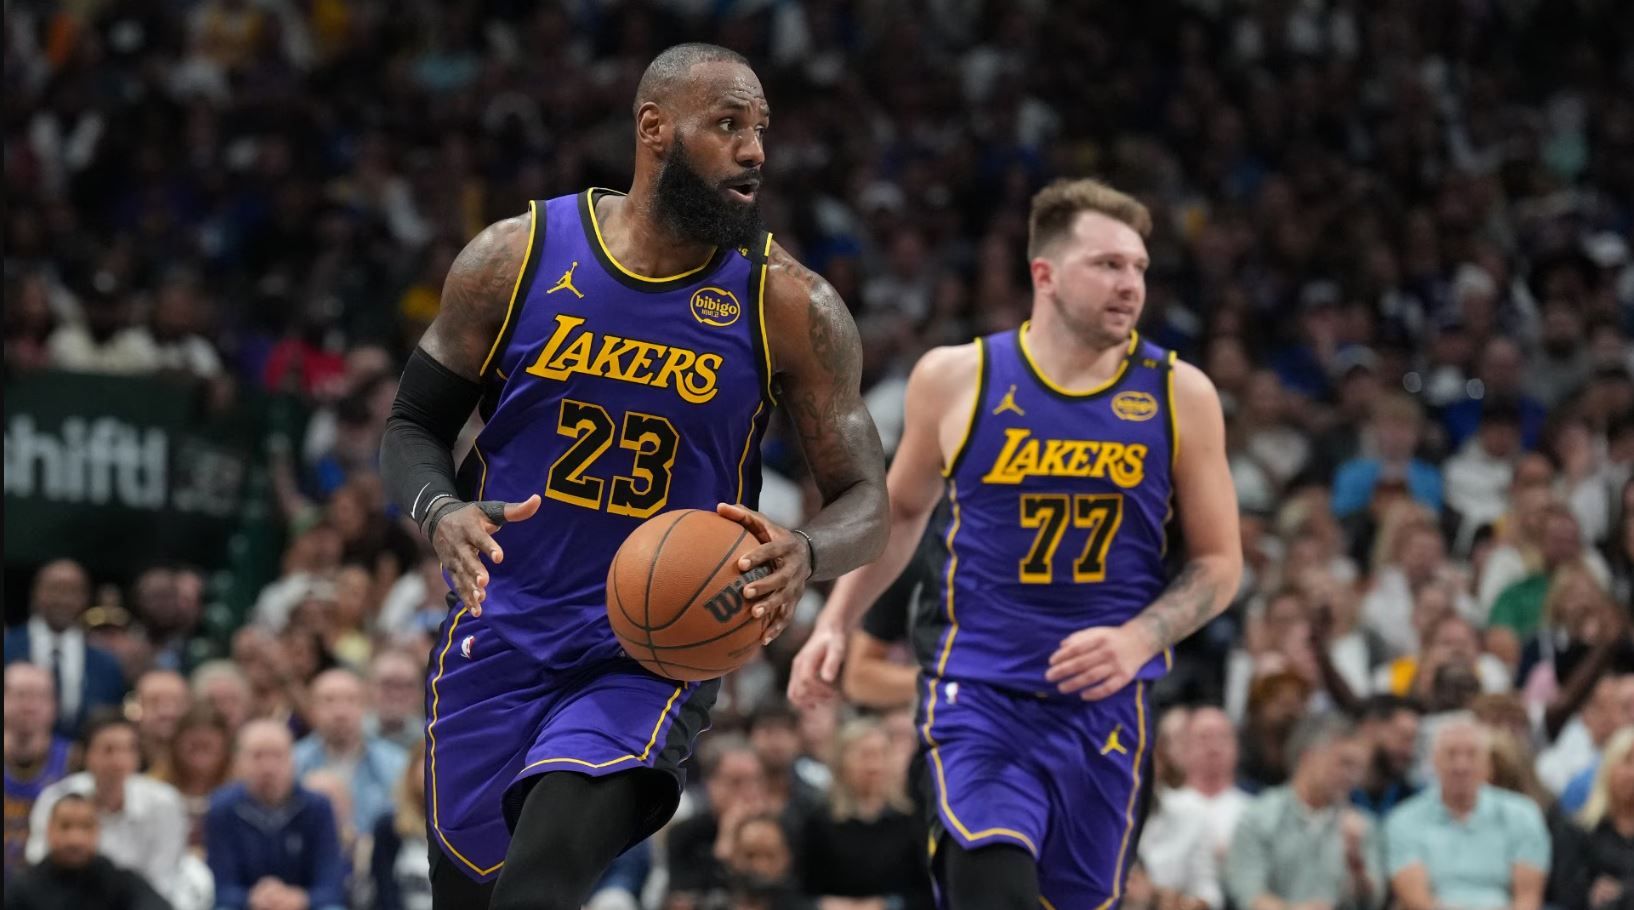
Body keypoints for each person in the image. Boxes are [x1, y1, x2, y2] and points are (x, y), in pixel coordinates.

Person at [376, 43, 888, 910]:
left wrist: (806, 550)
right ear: (654, 129)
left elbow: (867, 498)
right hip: (501, 628)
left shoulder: (788, 304)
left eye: (761, 129)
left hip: (653, 647)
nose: (755, 151)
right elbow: (412, 425)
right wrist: (440, 511)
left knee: (537, 891)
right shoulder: (515, 256)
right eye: (728, 125)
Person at [789, 178, 1242, 909]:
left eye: (1139, 267)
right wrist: (835, 623)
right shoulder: (956, 378)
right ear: (1045, 274)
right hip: (978, 698)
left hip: (1103, 707)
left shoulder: (1180, 393)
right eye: (1108, 264)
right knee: (991, 882)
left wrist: (1140, 637)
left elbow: (1220, 564)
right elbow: (900, 514)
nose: (1131, 284)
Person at [1384, 717, 1551, 910]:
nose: (1461, 766)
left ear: (1488, 764)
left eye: (1472, 755)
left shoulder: (1522, 814)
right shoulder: (1404, 819)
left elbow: (1528, 898)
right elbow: (1415, 899)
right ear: (1433, 762)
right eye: (1451, 754)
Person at [26, 712, 190, 907]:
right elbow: (39, 866)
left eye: (129, 750)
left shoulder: (164, 803)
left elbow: (162, 880)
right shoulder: (57, 799)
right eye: (108, 750)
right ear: (85, 755)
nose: (120, 761)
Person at [1224, 713, 1382, 910]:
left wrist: (1357, 865)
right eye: (1345, 763)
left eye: (1358, 768)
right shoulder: (1259, 817)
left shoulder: (1361, 825)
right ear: (1309, 758)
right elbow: (1248, 893)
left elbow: (1372, 903)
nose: (1352, 776)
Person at [204, 720, 346, 910]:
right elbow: (219, 886)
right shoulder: (222, 808)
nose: (268, 767)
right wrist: (251, 899)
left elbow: (332, 885)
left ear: (293, 760)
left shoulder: (318, 807)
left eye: (277, 755)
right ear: (239, 761)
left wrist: (299, 899)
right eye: (257, 756)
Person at [3, 559, 127, 739]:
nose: (63, 599)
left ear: (86, 598)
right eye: (54, 589)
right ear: (35, 593)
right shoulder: (7, 647)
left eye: (72, 591)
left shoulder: (107, 664)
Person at [3, 793, 170, 910]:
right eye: (65, 826)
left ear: (98, 832)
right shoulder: (23, 889)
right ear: (49, 831)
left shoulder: (118, 882)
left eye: (86, 826)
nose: (76, 839)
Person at [4, 663, 72, 879]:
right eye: (20, 695)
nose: (29, 706)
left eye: (39, 697)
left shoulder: (75, 759)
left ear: (55, 705)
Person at [1556, 727, 1634, 910]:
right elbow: (1565, 893)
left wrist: (1623, 892)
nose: (1632, 774)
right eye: (1627, 762)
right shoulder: (1576, 830)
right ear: (1607, 768)